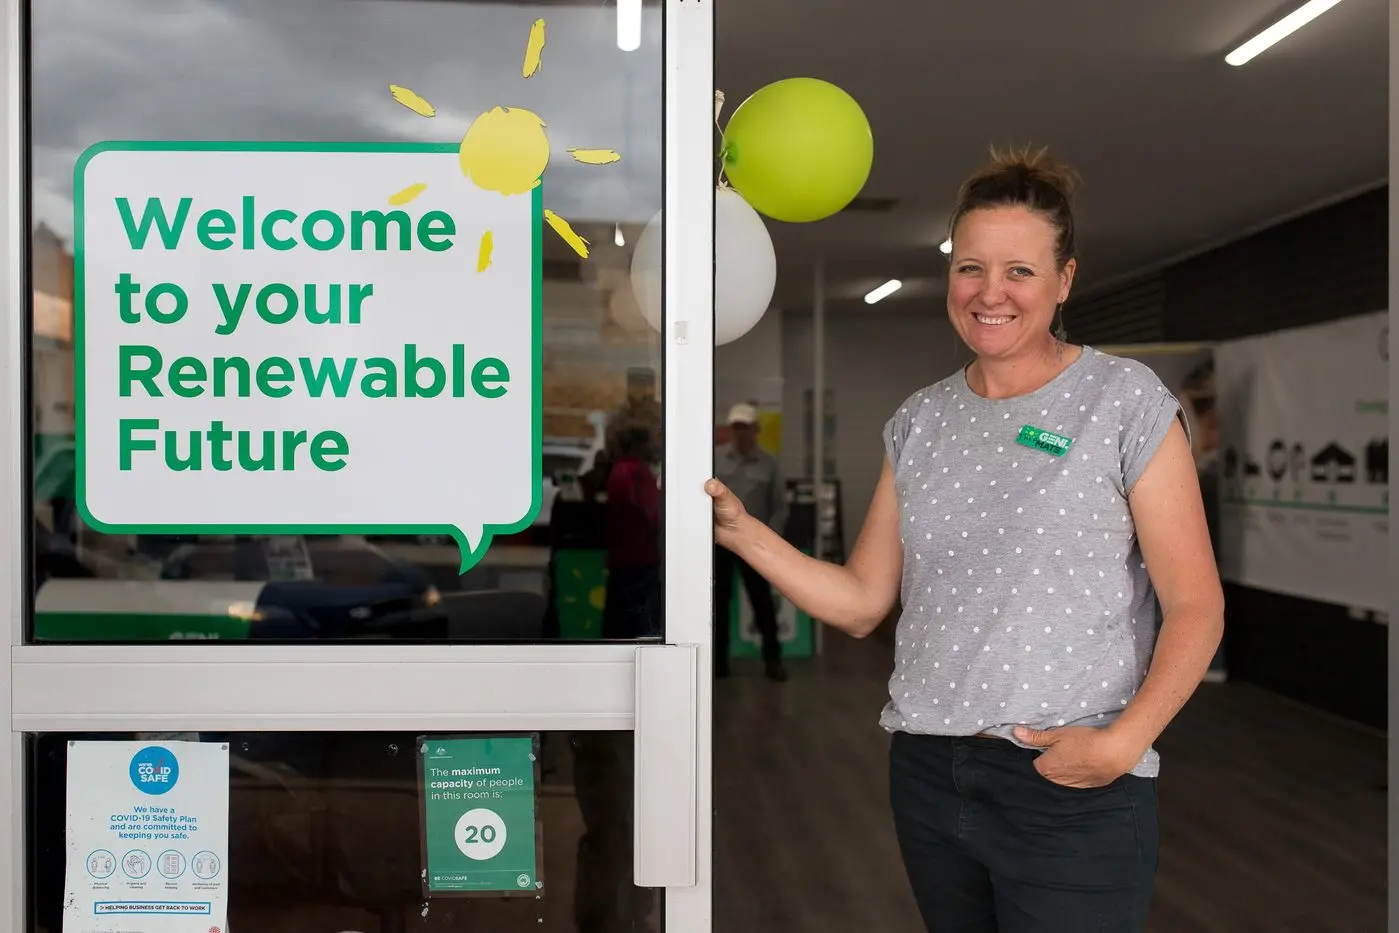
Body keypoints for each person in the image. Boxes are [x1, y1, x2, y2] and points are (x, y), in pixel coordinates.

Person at [706, 146, 1224, 932]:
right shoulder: (919, 419)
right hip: (928, 769)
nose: (990, 293)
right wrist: (744, 535)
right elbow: (858, 604)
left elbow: (1195, 605)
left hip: (1069, 781)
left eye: (1019, 270)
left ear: (1064, 281)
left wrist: (1124, 743)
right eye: (970, 267)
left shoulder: (1121, 401)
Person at [713, 402, 787, 681]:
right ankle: (718, 665)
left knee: (762, 602)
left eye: (746, 427)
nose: (741, 433)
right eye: (736, 428)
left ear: (756, 429)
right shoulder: (716, 460)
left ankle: (773, 660)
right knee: (718, 604)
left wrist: (771, 541)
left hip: (755, 546)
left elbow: (779, 506)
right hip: (720, 545)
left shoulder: (769, 464)